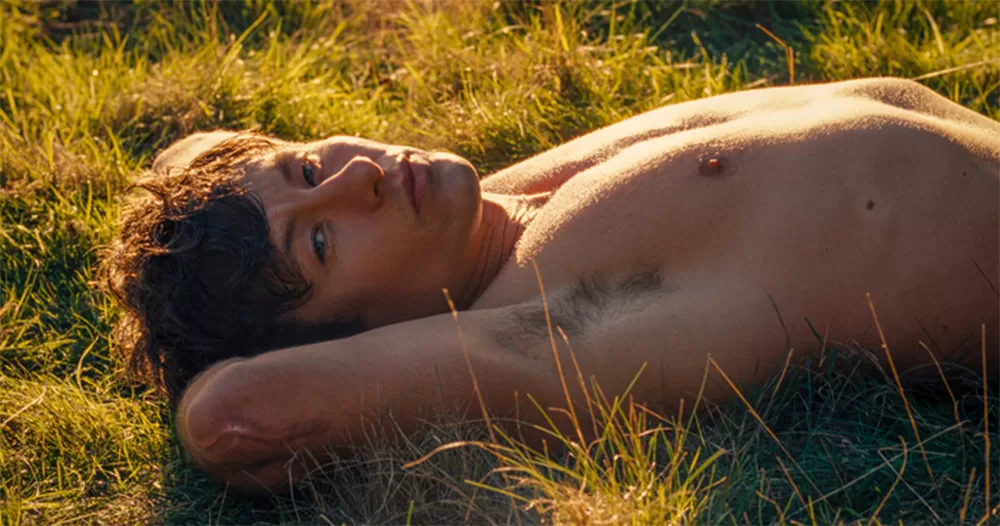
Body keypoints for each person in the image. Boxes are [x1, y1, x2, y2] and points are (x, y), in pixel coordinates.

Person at [104, 77, 1000, 493]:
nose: (358, 178)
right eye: (326, 243)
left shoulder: (497, 210)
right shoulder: (554, 323)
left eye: (305, 170)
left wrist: (224, 203)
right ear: (361, 337)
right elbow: (229, 417)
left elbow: (190, 154)